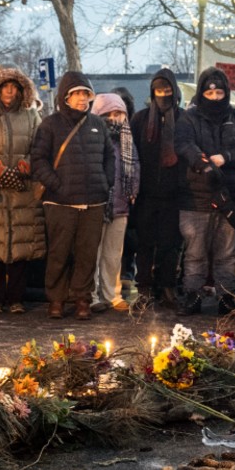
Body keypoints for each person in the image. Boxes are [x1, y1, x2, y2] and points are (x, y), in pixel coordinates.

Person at [29, 71, 114, 320]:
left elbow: (110, 156)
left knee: (87, 255)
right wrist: (57, 185)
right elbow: (38, 159)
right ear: (65, 97)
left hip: (94, 201)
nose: (82, 98)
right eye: (76, 94)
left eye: (86, 94)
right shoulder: (50, 124)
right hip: (60, 202)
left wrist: (105, 182)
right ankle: (56, 299)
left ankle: (82, 299)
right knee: (59, 253)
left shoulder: (98, 124)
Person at [175, 67, 235, 315]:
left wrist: (226, 157)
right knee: (195, 253)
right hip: (195, 197)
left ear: (226, 93)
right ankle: (192, 295)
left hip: (232, 196)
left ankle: (227, 297)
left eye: (219, 93)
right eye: (209, 93)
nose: (214, 97)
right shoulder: (189, 118)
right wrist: (203, 164)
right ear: (202, 93)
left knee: (227, 253)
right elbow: (183, 143)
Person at [0, 66, 43, 314]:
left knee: (21, 243)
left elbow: (40, 145)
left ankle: (16, 299)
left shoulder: (31, 115)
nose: (10, 91)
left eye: (14, 86)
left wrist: (27, 164)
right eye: (5, 87)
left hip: (23, 187)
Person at [130, 68, 185, 308]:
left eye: (167, 89)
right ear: (152, 92)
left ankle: (167, 286)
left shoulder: (184, 119)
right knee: (144, 243)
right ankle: (144, 288)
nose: (163, 94)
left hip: (174, 194)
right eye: (159, 90)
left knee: (170, 244)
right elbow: (132, 154)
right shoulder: (140, 119)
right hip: (145, 194)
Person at [92, 92, 138, 312]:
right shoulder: (93, 137)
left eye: (118, 113)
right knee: (93, 253)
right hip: (96, 202)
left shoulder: (127, 139)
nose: (113, 118)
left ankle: (112, 294)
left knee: (113, 254)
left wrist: (133, 190)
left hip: (121, 204)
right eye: (108, 114)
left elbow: (134, 165)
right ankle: (91, 294)